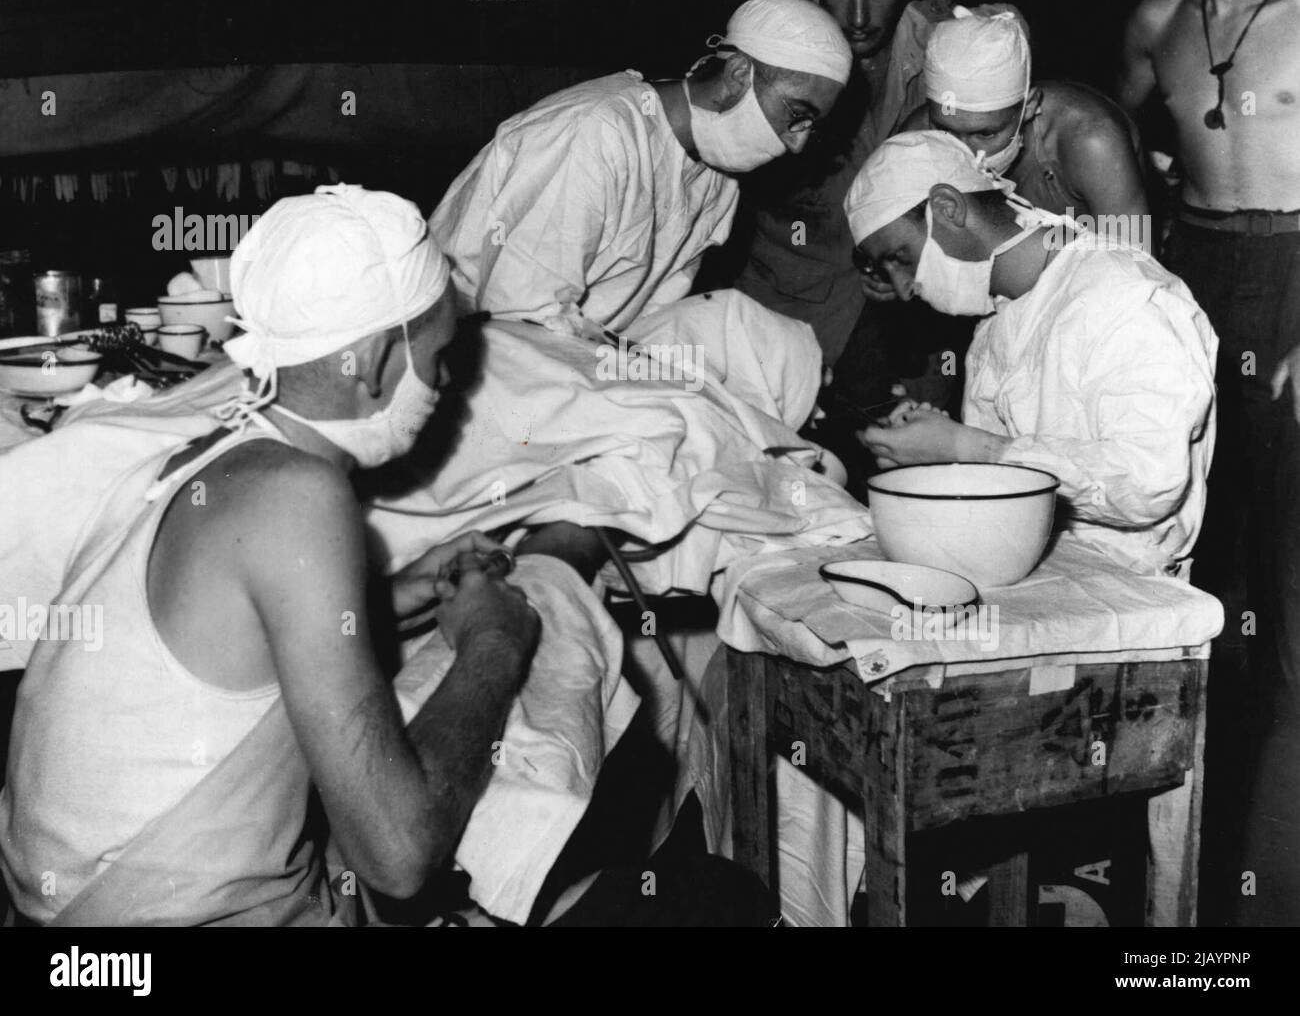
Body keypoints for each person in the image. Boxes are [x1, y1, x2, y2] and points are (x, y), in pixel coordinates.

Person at [0, 185, 773, 927]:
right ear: (372, 362)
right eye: (439, 361)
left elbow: (232, 648)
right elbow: (399, 853)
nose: (446, 385)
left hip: (63, 914)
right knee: (709, 900)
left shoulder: (207, 454)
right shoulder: (298, 497)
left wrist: (391, 596)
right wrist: (496, 639)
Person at [1118, 0, 1300, 926]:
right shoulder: (1156, 21)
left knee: (1286, 569)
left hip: (1295, 262)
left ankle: (1275, 874)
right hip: (1199, 262)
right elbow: (1111, 126)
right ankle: (1189, 853)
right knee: (1193, 547)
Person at [846, 131, 1216, 578]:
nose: (904, 288)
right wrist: (937, 453)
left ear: (947, 208)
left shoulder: (1123, 297)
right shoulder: (998, 317)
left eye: (901, 257)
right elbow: (1005, 466)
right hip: (1031, 567)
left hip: (1128, 586)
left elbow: (1149, 484)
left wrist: (968, 448)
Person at [430, 0, 850, 336]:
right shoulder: (596, 135)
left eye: (810, 126)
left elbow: (649, 320)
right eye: (797, 113)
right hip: (480, 348)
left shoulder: (717, 179)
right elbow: (519, 319)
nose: (797, 143)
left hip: (572, 354)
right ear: (740, 73)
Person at [729, 0, 956, 408]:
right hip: (782, 315)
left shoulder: (946, 45)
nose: (857, 17)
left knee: (915, 475)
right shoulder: (766, 54)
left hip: (909, 319)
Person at [906, 5, 1151, 249]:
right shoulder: (916, 135)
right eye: (946, 131)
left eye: (985, 133)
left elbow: (1139, 269)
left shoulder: (1092, 141)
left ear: (1030, 106)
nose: (963, 153)